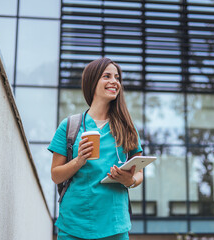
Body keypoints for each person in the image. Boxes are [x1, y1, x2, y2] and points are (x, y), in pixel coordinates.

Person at [48, 58, 143, 240]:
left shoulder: (127, 128)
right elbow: (56, 175)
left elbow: (139, 174)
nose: (114, 81)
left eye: (117, 77)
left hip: (114, 225)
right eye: (106, 76)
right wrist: (79, 160)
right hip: (74, 224)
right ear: (92, 81)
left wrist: (129, 180)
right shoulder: (69, 126)